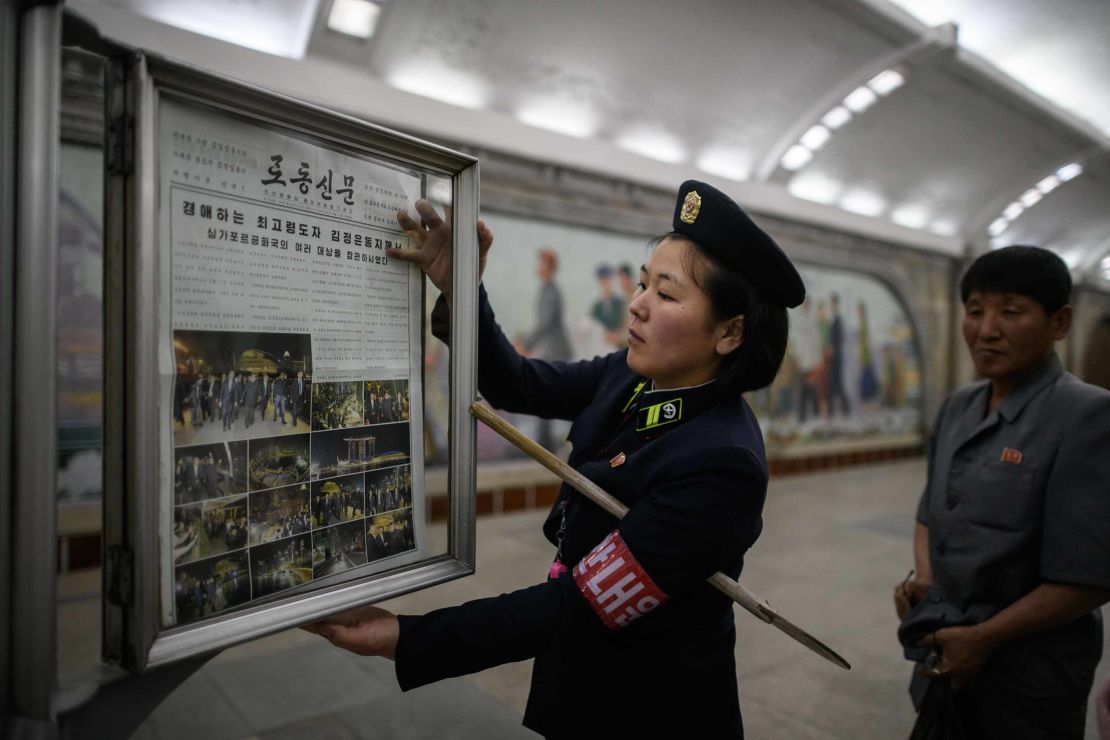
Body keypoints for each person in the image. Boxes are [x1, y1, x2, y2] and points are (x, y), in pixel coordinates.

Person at [304, 180, 805, 738]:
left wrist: (407, 637)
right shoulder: (634, 375)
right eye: (643, 284)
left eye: (665, 295)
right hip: (582, 676)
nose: (636, 305)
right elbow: (518, 383)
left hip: (651, 704)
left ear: (730, 332)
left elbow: (583, 603)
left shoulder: (722, 462)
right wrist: (462, 290)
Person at [894, 246, 1110, 739]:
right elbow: (931, 510)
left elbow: (1092, 575)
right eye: (974, 311)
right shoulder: (958, 407)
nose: (985, 329)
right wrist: (926, 579)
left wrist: (983, 639)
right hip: (946, 652)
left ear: (1059, 322)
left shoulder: (1087, 417)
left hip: (1029, 677)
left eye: (1010, 312)